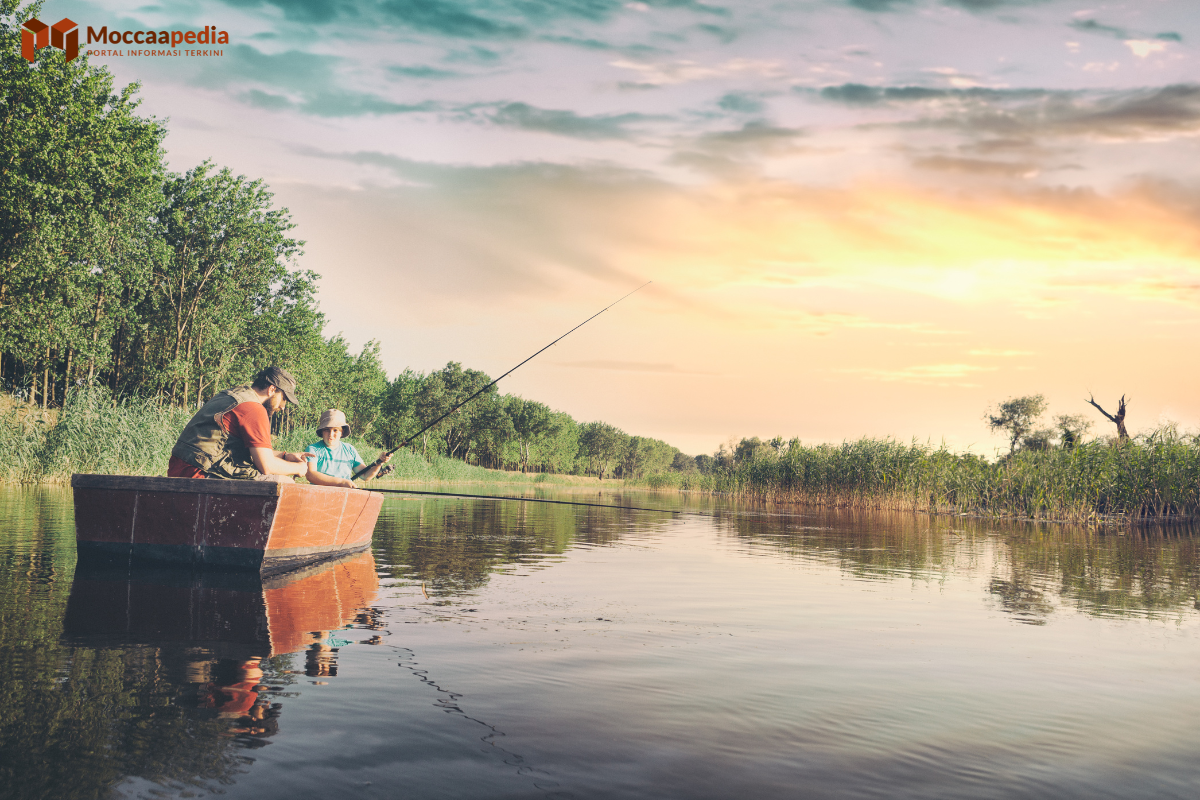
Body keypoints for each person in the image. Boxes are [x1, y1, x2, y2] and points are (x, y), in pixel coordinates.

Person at [168, 366, 313, 481]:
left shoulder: (229, 395)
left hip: (182, 467)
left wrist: (285, 455)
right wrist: (298, 469)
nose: (283, 407)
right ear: (272, 389)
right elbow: (267, 466)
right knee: (285, 483)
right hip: (200, 473)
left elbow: (252, 453)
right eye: (284, 399)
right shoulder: (254, 408)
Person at [303, 409, 392, 488]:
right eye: (327, 430)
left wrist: (380, 462)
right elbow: (311, 474)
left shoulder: (349, 449)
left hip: (344, 494)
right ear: (322, 431)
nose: (331, 434)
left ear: (342, 432)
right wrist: (341, 482)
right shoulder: (312, 449)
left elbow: (365, 475)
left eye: (335, 430)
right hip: (320, 494)